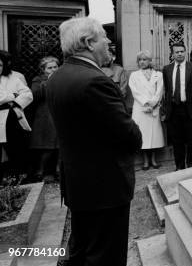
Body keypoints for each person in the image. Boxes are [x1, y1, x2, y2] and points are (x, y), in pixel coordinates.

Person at [46, 17, 142, 266]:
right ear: (88, 42)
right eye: (103, 37)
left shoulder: (57, 77)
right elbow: (129, 135)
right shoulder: (95, 81)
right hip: (105, 188)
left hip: (78, 184)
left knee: (80, 250)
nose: (109, 41)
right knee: (105, 256)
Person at [162, 42, 192, 170]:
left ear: (185, 52)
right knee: (177, 141)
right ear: (172, 53)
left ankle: (191, 166)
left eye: (182, 51)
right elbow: (168, 90)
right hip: (174, 110)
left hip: (190, 110)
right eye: (177, 52)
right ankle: (179, 167)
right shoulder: (167, 69)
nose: (180, 53)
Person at [129, 50, 164, 170]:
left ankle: (154, 160)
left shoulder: (158, 74)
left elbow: (159, 91)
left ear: (150, 61)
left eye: (145, 59)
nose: (142, 62)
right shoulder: (134, 75)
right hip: (141, 108)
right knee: (142, 135)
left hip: (153, 108)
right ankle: (145, 161)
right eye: (140, 60)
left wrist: (153, 104)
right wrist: (146, 103)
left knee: (154, 135)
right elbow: (135, 92)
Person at [0, 51, 33, 180]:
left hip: (12, 114)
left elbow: (28, 94)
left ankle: (19, 175)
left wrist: (14, 103)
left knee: (15, 146)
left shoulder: (13, 78)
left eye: (0, 65)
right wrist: (13, 95)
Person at [29, 56, 59, 183]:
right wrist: (48, 81)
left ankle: (58, 172)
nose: (53, 69)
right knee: (47, 147)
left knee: (60, 145)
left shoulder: (62, 77)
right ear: (43, 70)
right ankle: (43, 172)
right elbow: (34, 95)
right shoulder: (37, 80)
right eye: (49, 68)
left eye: (55, 67)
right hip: (45, 117)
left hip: (59, 115)